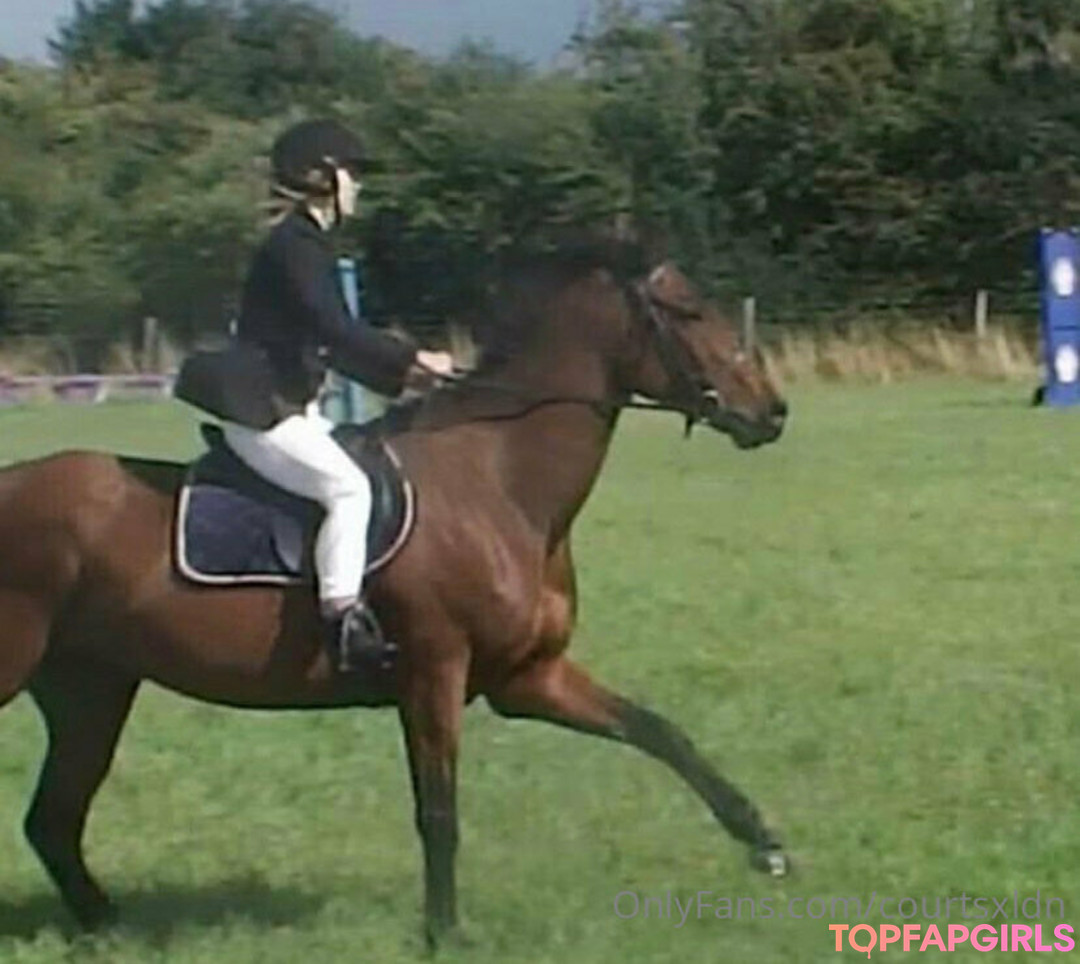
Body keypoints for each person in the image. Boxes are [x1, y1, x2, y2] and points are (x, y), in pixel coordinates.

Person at [218, 118, 451, 672]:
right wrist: (413, 357)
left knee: (367, 466)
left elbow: (331, 347)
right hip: (264, 414)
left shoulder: (308, 244)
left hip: (292, 409)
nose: (359, 185)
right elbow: (334, 327)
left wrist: (404, 380)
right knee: (348, 488)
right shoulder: (295, 246)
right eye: (353, 173)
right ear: (321, 177)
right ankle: (343, 621)